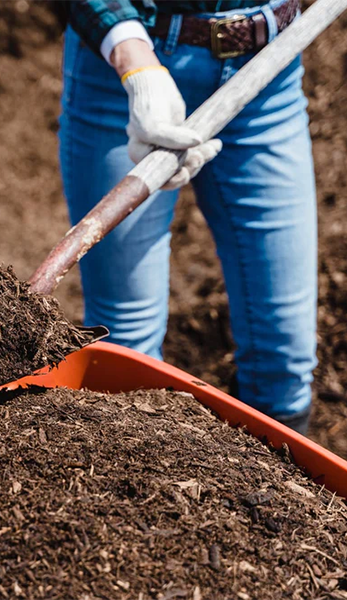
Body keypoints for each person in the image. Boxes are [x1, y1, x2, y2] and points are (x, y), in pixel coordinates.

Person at [59, 0, 315, 434]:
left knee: (284, 356)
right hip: (129, 71)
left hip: (269, 69)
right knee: (127, 348)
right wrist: (136, 63)